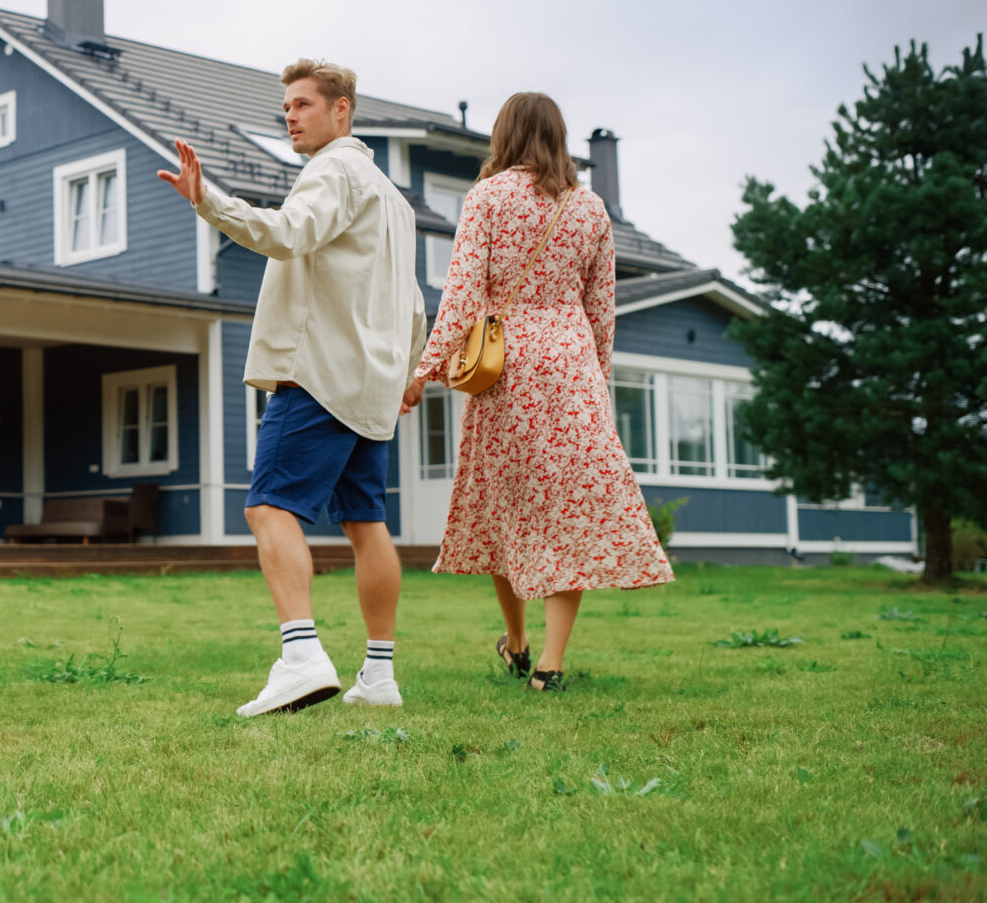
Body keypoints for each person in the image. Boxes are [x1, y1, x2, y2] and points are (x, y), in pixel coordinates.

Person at [160, 59, 427, 715]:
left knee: (267, 508)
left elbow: (285, 235)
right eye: (287, 106)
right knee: (367, 523)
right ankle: (380, 677)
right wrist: (411, 370)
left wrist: (207, 201)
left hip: (319, 375)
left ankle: (302, 656)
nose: (291, 115)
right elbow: (413, 303)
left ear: (342, 111)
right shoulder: (394, 199)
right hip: (370, 387)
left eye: (304, 104)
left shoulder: (332, 171)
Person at [401, 93, 673, 692]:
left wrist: (424, 369)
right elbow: (603, 311)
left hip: (507, 369)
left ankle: (517, 641)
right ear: (558, 136)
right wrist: (595, 383)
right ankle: (548, 662)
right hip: (572, 369)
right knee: (565, 515)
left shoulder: (488, 198)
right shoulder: (590, 207)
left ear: (504, 136)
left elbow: (464, 293)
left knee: (505, 509)